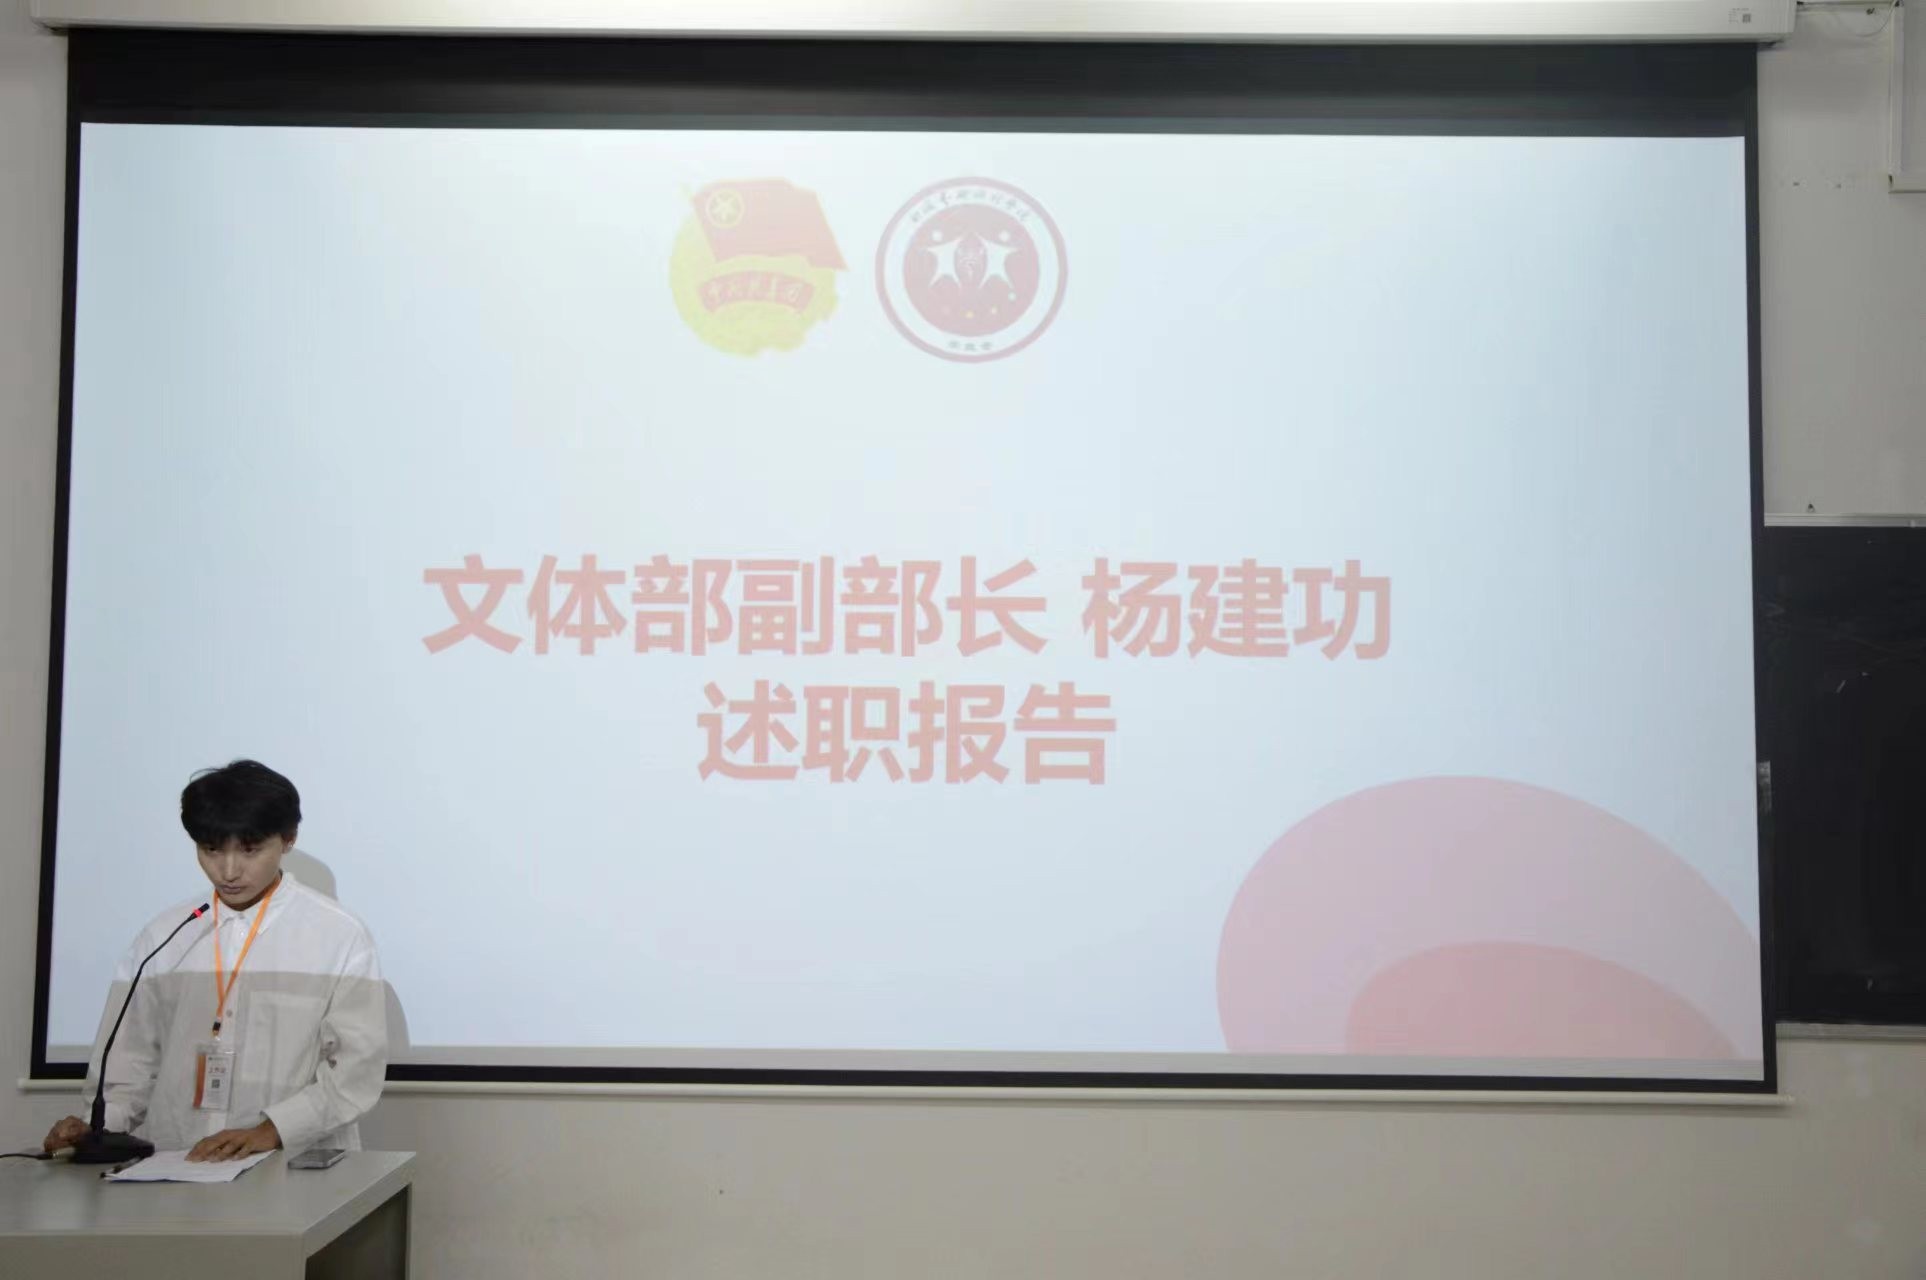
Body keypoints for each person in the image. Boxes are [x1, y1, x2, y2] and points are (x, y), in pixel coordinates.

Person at [43, 760, 387, 1161]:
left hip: (290, 1168)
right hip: (174, 1163)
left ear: (289, 839)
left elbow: (355, 1071)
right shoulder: (163, 937)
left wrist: (271, 1130)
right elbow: (127, 1069)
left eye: (250, 850)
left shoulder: (339, 936)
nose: (228, 871)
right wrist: (94, 1128)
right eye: (211, 850)